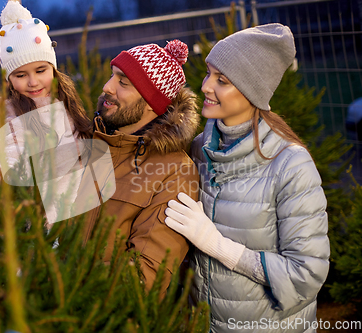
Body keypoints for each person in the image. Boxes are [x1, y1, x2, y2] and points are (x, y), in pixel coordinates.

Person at [164, 24, 329, 332]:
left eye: (221, 80)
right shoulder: (200, 148)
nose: (205, 86)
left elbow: (306, 275)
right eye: (209, 74)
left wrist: (218, 246)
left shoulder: (291, 165)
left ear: (252, 90)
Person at [81, 40, 200, 294]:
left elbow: (144, 278)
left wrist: (63, 282)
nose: (107, 87)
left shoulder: (175, 172)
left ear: (150, 102)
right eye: (112, 75)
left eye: (123, 82)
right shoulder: (86, 142)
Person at [0, 0, 92, 224]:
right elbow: (12, 147)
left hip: (79, 218)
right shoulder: (9, 114)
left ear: (53, 68)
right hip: (41, 225)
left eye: (41, 70)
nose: (33, 82)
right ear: (9, 79)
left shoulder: (66, 103)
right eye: (20, 75)